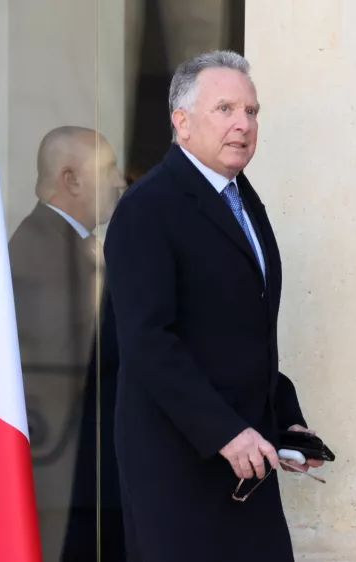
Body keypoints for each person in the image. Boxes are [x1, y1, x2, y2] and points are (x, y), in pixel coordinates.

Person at [102, 50, 323, 561]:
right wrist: (226, 432)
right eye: (225, 109)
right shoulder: (146, 208)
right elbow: (148, 343)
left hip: (249, 463)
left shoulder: (243, 200)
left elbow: (244, 334)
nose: (243, 124)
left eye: (251, 111)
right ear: (181, 122)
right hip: (178, 469)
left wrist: (286, 421)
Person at [8, 126, 125, 560]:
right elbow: (72, 362)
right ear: (71, 179)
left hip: (83, 478)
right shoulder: (42, 251)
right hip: (71, 481)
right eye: (108, 169)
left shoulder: (69, 246)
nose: (119, 181)